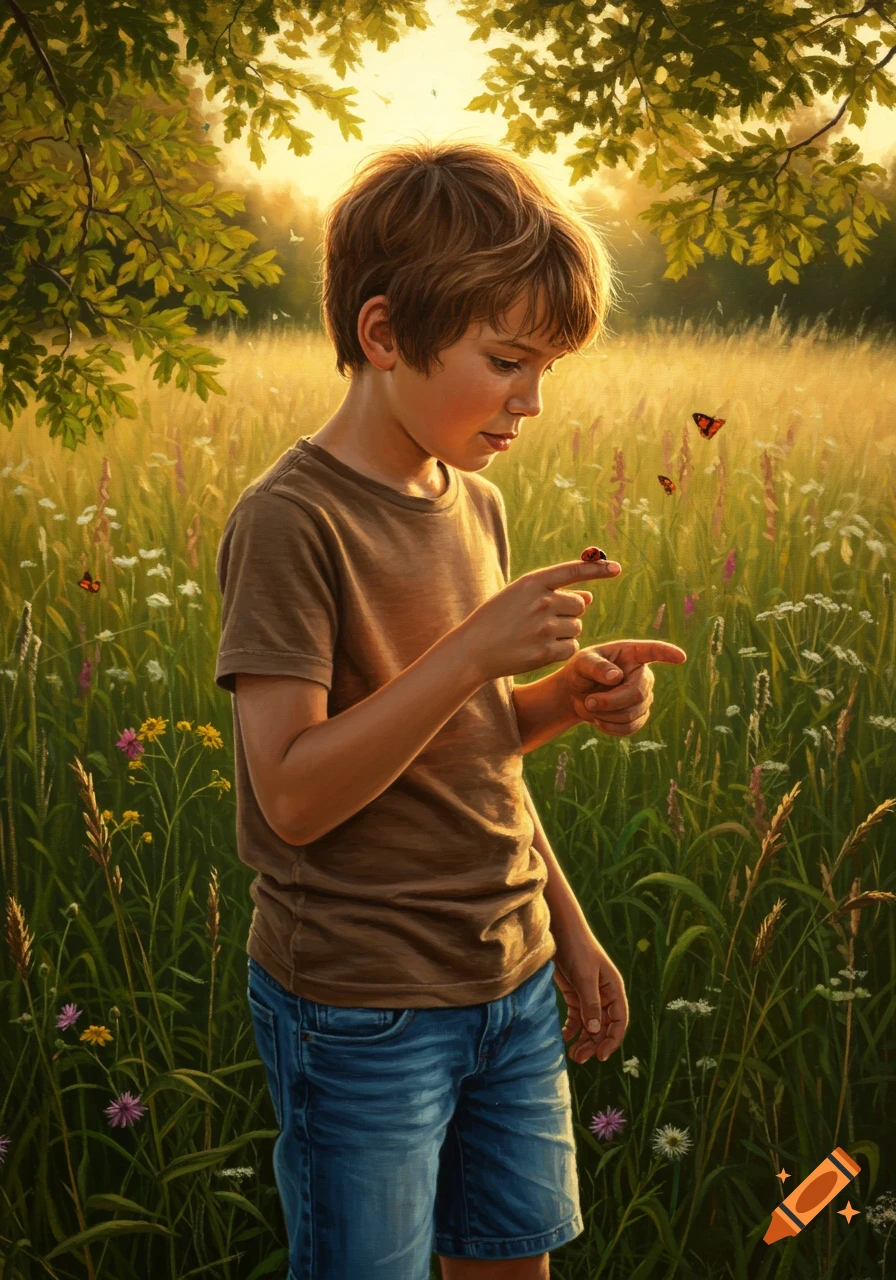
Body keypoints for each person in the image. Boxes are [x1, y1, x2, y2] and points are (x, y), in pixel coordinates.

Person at [214, 139, 686, 1280]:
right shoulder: (292, 521)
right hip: (362, 1006)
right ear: (383, 335)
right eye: (506, 358)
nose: (530, 399)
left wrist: (558, 706)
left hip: (510, 980)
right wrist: (476, 649)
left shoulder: (470, 503)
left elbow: (465, 750)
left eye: (546, 368)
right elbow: (292, 793)